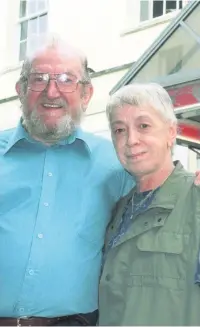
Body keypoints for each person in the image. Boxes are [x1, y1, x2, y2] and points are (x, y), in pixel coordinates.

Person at [0, 37, 134, 326]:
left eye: (66, 79)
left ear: (86, 94)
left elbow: (161, 200)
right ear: (21, 90)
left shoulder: (117, 161)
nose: (52, 91)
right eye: (39, 79)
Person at [99, 83, 200, 326]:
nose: (131, 140)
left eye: (144, 126)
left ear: (171, 132)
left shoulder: (195, 201)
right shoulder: (117, 210)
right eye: (119, 130)